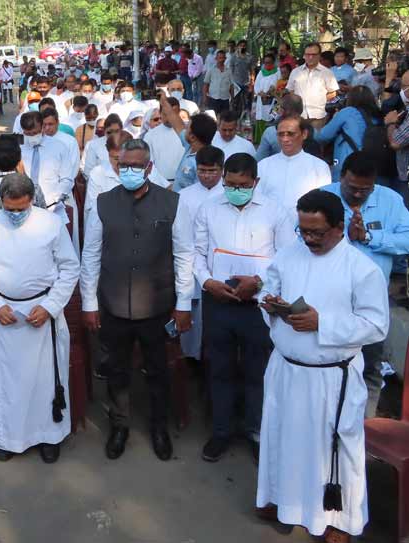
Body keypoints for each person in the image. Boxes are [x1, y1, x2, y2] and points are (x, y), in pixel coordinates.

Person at [256, 189, 388, 543]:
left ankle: (338, 521)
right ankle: (282, 501)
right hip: (286, 368)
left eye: (317, 232)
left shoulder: (363, 269)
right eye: (303, 231)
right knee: (281, 437)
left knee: (335, 450)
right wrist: (270, 303)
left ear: (339, 227)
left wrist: (322, 323)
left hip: (331, 378)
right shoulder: (287, 255)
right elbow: (269, 287)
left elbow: (377, 326)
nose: (309, 239)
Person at [80, 139, 194, 461]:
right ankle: (119, 426)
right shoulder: (102, 202)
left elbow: (185, 255)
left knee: (158, 370)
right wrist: (89, 302)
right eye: (123, 166)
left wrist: (183, 303)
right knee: (116, 370)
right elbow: (90, 254)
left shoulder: (173, 202)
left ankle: (159, 427)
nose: (128, 171)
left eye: (135, 166)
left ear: (149, 167)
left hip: (157, 305)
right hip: (113, 303)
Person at [0, 173, 79, 463]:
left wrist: (51, 306)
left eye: (21, 208)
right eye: (10, 209)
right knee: (5, 383)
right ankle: (6, 438)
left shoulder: (51, 224)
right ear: (1, 202)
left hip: (41, 312)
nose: (15, 214)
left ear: (32, 200)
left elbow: (69, 268)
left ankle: (48, 436)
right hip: (2, 313)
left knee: (44, 381)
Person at [192, 153, 295, 463]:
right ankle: (221, 431)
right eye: (230, 184)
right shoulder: (209, 208)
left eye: (243, 185)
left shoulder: (275, 211)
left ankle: (255, 431)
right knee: (220, 368)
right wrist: (208, 282)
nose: (236, 190)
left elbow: (288, 259)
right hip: (218, 300)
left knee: (256, 370)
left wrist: (260, 283)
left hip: (258, 305)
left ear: (256, 182)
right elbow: (196, 253)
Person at [321, 152, 409, 417]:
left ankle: (363, 428)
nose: (358, 194)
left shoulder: (390, 200)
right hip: (329, 302)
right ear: (341, 177)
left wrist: (371, 236)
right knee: (330, 366)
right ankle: (328, 424)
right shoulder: (323, 198)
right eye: (352, 188)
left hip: (371, 304)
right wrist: (342, 239)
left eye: (365, 189)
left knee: (370, 367)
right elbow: (301, 238)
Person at [176, 146, 226, 363]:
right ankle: (192, 358)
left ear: (222, 170)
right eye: (202, 170)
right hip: (190, 260)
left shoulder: (227, 193)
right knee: (193, 315)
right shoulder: (183, 196)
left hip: (219, 261)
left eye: (212, 171)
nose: (206, 175)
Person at [257, 115, 331, 224]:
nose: (285, 139)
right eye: (281, 134)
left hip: (304, 230)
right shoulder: (263, 165)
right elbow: (258, 200)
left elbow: (323, 204)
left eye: (290, 134)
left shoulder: (319, 167)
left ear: (304, 134)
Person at [19, 111, 78, 247]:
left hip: (53, 208)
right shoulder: (19, 149)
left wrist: (52, 201)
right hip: (26, 209)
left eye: (34, 133)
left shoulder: (59, 147)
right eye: (28, 134)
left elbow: (67, 179)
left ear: (42, 128)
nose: (31, 137)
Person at [316, 86, 383, 182]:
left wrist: (335, 118)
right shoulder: (378, 115)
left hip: (347, 164)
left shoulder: (348, 112)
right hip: (374, 165)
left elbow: (322, 136)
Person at [287, 43, 339, 130]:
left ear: (319, 56)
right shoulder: (295, 72)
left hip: (318, 117)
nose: (310, 57)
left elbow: (333, 92)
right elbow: (291, 91)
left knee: (316, 142)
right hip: (299, 116)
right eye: (308, 54)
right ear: (304, 55)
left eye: (314, 55)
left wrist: (320, 100)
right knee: (299, 142)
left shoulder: (327, 73)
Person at [142, 98, 185, 181]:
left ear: (179, 113)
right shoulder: (150, 136)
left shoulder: (187, 133)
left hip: (184, 183)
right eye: (165, 114)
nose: (169, 117)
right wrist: (163, 183)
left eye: (172, 113)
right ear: (160, 113)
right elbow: (148, 163)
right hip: (160, 183)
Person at [256, 94, 304, 161]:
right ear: (301, 110)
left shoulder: (270, 133)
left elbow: (259, 160)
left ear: (281, 111)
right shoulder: (312, 131)